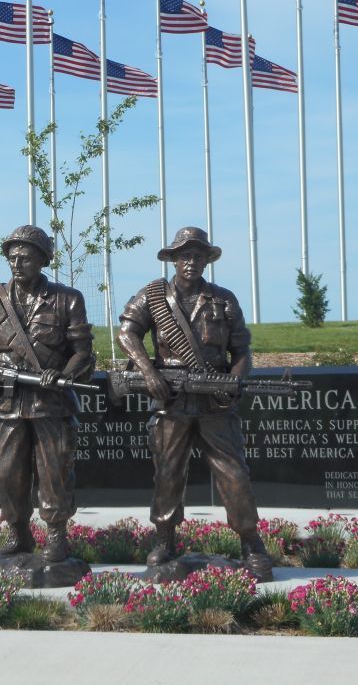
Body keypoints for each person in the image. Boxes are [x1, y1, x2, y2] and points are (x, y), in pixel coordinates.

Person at [117, 227, 274, 580]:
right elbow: (127, 333)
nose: (192, 262)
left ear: (207, 259)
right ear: (173, 259)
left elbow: (242, 350)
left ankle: (251, 543)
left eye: (198, 255)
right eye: (185, 255)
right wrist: (149, 372)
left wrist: (234, 380)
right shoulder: (152, 295)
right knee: (168, 473)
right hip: (170, 400)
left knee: (234, 473)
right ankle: (164, 540)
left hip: (214, 401)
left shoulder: (223, 299)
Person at [0, 225, 94, 563]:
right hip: (7, 405)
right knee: (7, 473)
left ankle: (56, 537)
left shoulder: (67, 298)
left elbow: (84, 352)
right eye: (12, 257)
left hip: (51, 403)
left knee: (55, 471)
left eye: (25, 257)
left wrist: (64, 375)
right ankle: (18, 535)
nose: (16, 263)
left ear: (42, 259)